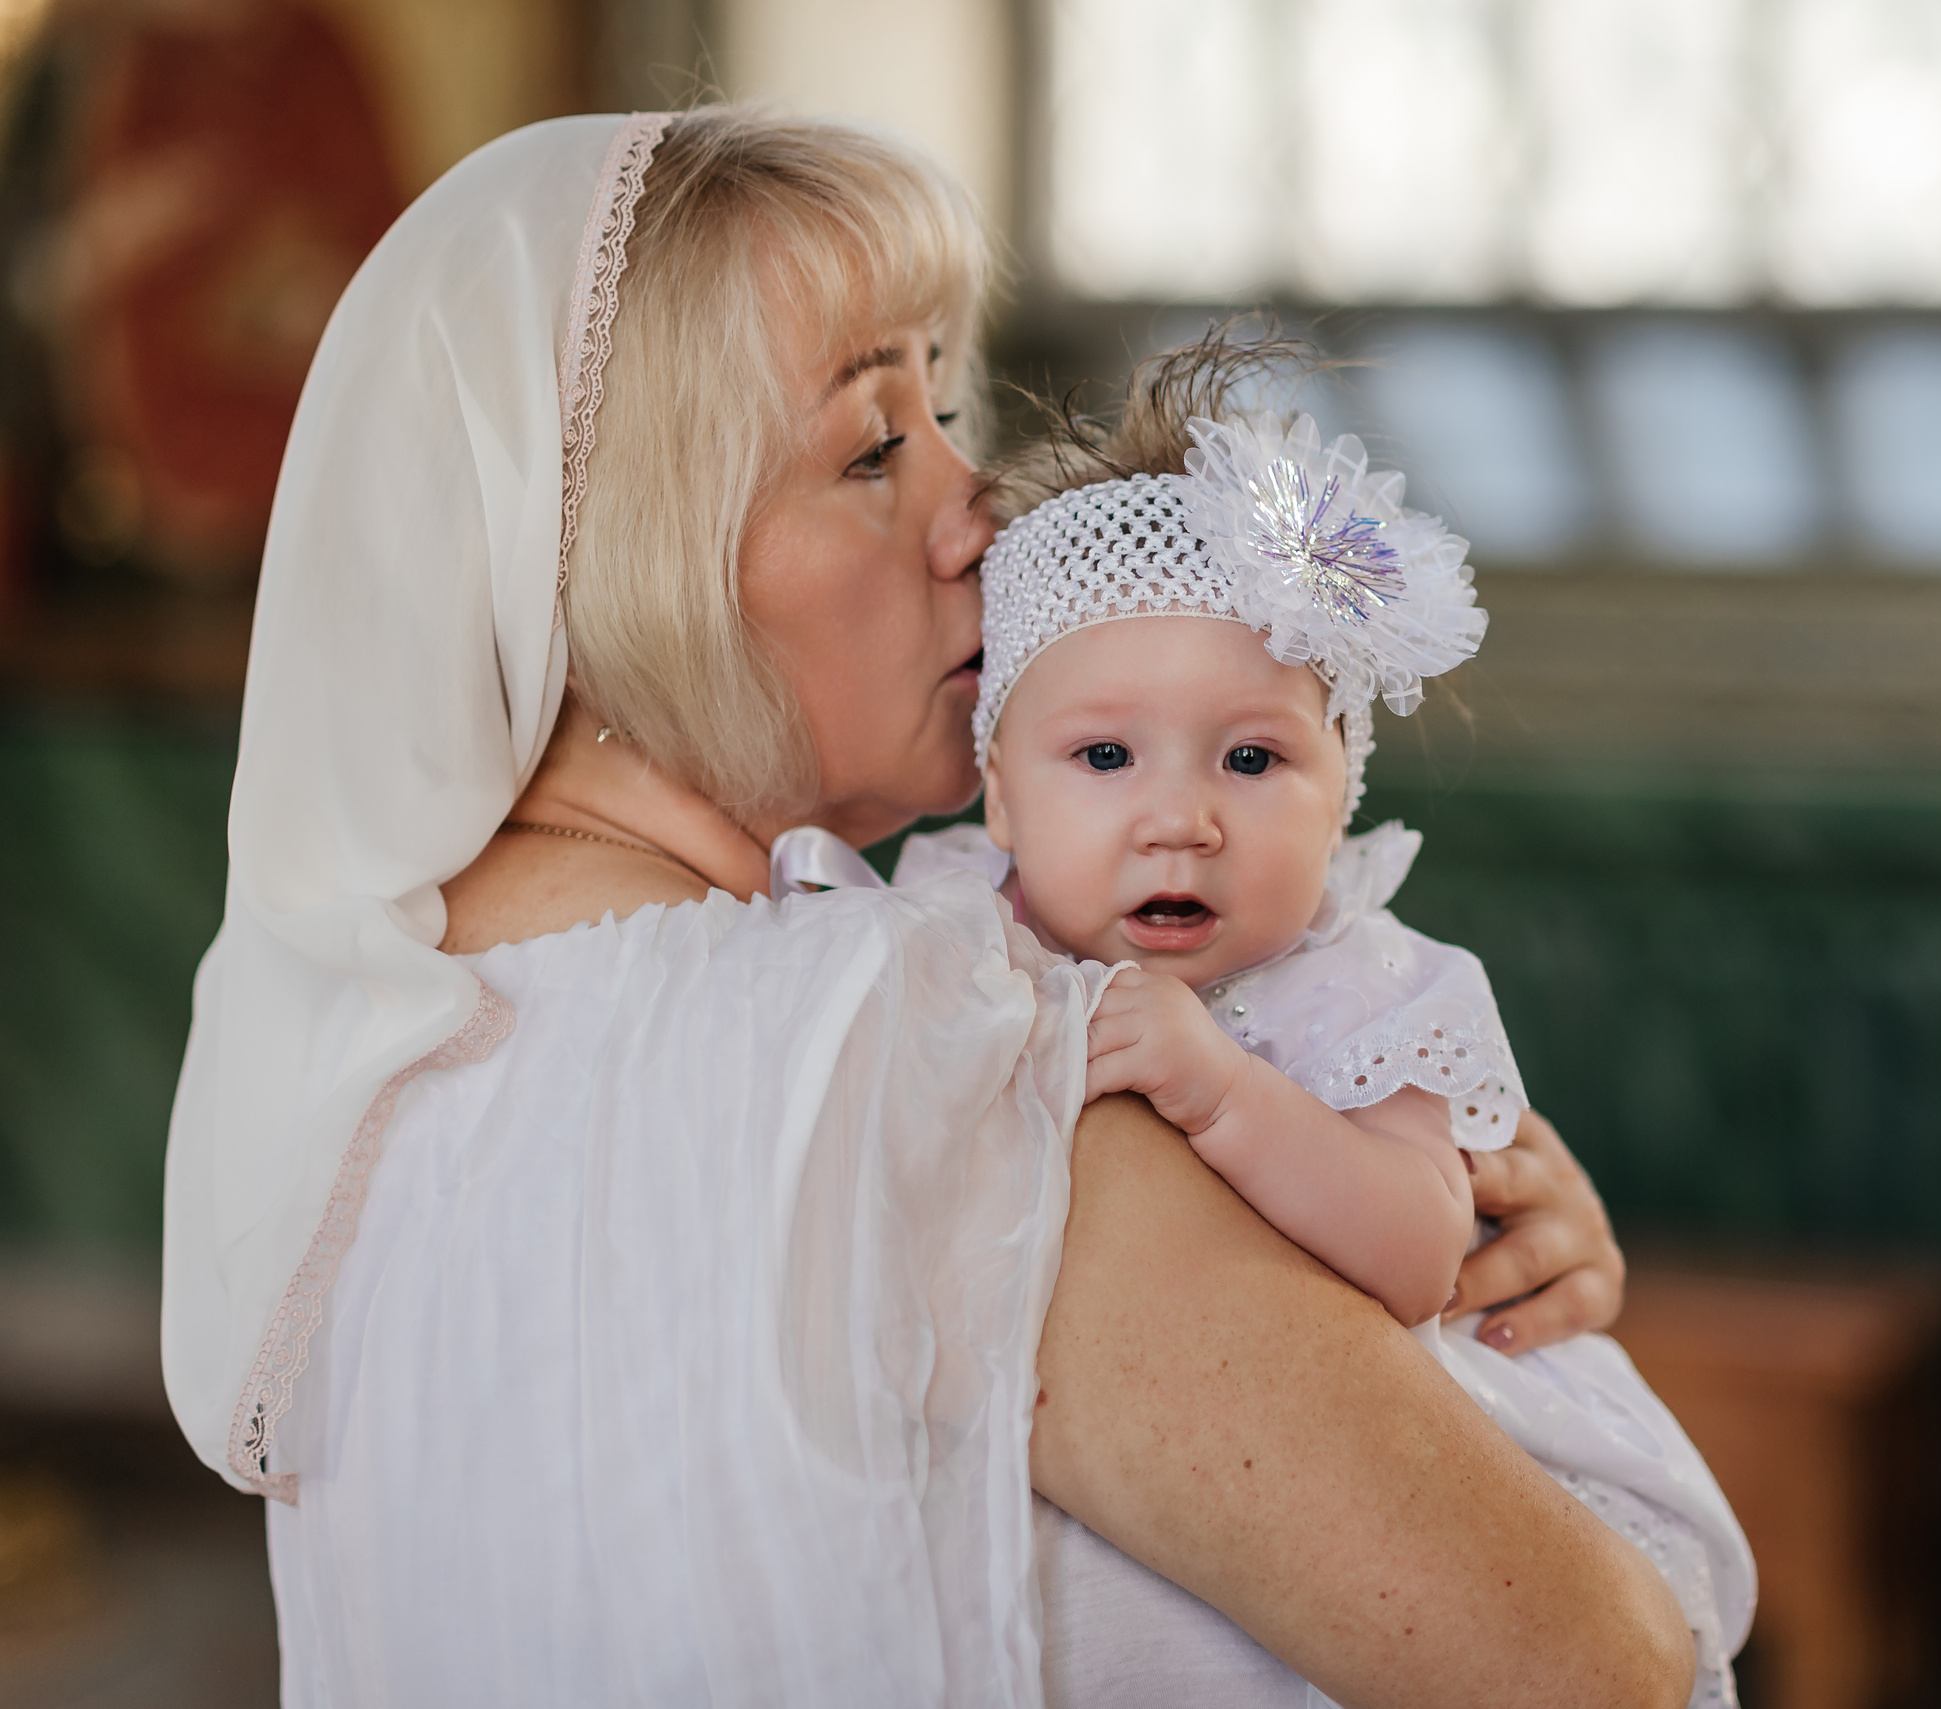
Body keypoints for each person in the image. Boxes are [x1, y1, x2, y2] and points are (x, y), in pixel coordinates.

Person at [157, 108, 1695, 1707]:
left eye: (947, 411)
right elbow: (1598, 1664)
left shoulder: (351, 1078)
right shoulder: (921, 1055)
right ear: (623, 557)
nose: (982, 508)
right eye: (875, 445)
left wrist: (1423, 1224)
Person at [778, 338, 1753, 1704]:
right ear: (998, 794)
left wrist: (1226, 1092)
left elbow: (1421, 1249)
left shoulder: (1372, 984)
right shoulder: (954, 925)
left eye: (1253, 756)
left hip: (1418, 1473)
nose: (1181, 815)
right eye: (1104, 756)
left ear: (1342, 783)